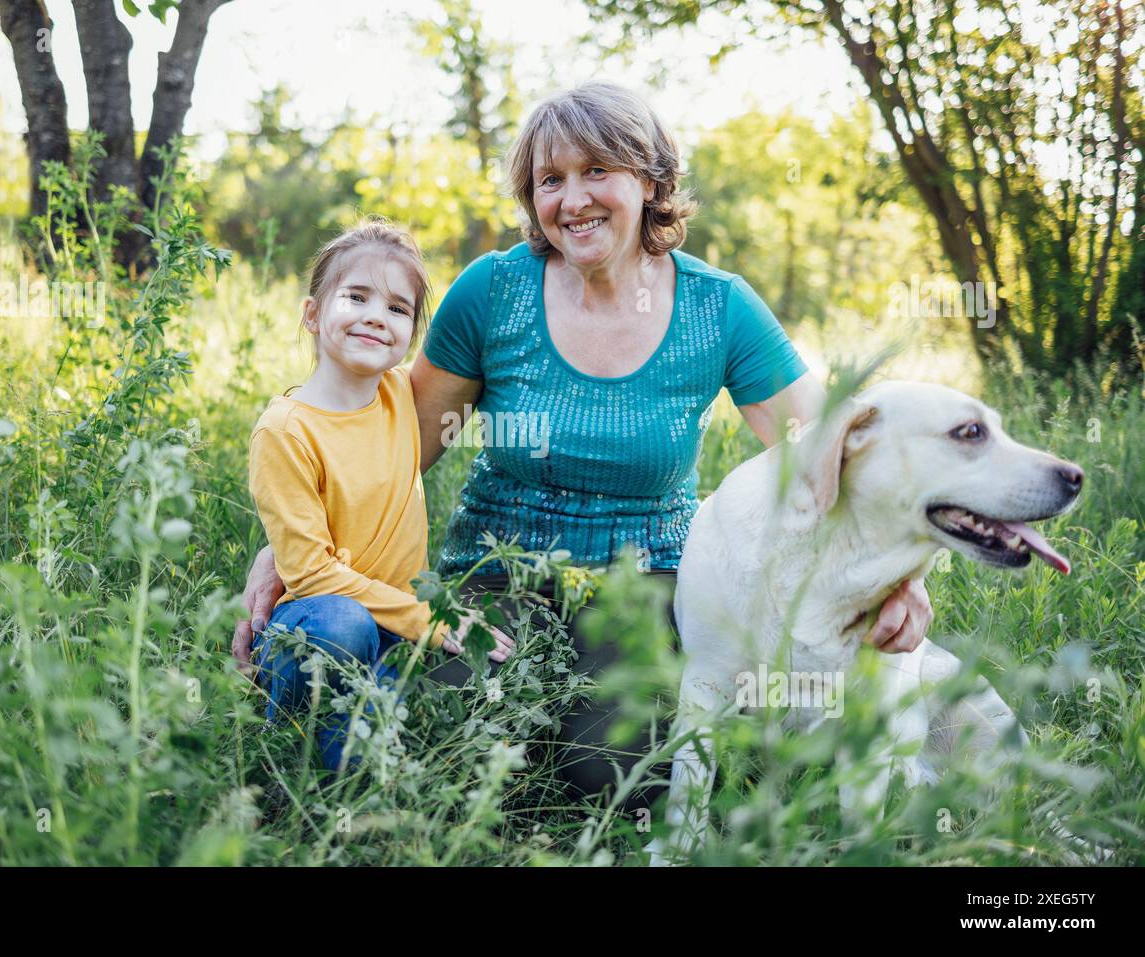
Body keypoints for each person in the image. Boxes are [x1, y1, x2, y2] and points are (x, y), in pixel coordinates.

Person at [235, 84, 932, 796]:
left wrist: (898, 576)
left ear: (651, 181)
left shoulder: (714, 307)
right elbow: (391, 450)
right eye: (550, 180)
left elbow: (828, 448)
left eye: (597, 170)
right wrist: (290, 547)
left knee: (612, 776)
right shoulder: (493, 292)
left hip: (646, 584)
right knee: (455, 747)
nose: (572, 200)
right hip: (496, 574)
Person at [246, 218, 515, 772]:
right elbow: (313, 575)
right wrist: (434, 620)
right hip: (316, 626)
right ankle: (303, 772)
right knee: (345, 626)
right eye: (356, 296)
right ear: (313, 315)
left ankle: (366, 760)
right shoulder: (286, 430)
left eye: (397, 309)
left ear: (410, 338)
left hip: (392, 629)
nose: (376, 315)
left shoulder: (397, 395)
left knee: (446, 695)